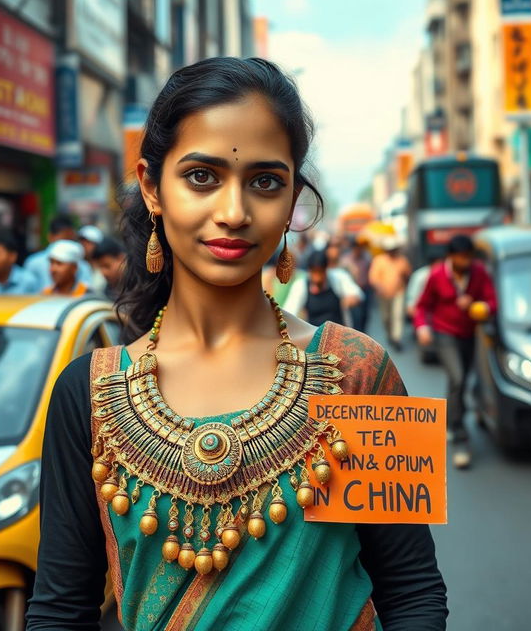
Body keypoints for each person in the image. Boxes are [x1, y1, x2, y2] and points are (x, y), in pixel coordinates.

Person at [26, 57, 447, 631]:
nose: (234, 212)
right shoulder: (88, 394)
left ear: (293, 197)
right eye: (202, 176)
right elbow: (60, 610)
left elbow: (412, 593)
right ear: (152, 188)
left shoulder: (356, 370)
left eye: (265, 182)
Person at [414, 235, 497, 469]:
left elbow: (493, 302)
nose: (465, 262)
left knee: (458, 382)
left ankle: (450, 422)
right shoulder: (437, 275)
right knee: (459, 378)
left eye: (468, 257)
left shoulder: (479, 273)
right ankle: (460, 436)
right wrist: (422, 327)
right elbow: (423, 305)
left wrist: (478, 306)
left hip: (469, 335)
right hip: (444, 334)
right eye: (460, 257)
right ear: (450, 257)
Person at [283, 249, 363, 326]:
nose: (317, 278)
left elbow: (357, 294)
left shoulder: (338, 278)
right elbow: (290, 311)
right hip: (314, 335)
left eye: (320, 272)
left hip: (338, 333)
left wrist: (349, 300)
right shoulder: (301, 285)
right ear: (309, 271)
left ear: (326, 269)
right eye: (314, 272)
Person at [24, 214, 93, 289]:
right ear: (51, 237)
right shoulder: (34, 263)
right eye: (52, 263)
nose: (53, 269)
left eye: (71, 240)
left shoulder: (83, 266)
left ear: (74, 268)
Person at [368, 236, 412, 351]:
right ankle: (390, 335)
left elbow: (407, 274)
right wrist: (379, 287)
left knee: (397, 316)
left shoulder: (402, 260)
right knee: (386, 318)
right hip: (383, 294)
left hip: (399, 292)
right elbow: (373, 278)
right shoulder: (379, 260)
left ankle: (397, 338)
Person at [340, 238, 372, 333]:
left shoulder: (366, 258)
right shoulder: (346, 261)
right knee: (356, 316)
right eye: (357, 248)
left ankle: (364, 333)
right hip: (352, 292)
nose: (359, 250)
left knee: (365, 314)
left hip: (365, 289)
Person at [92, 237, 127, 301]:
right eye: (100, 267)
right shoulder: (106, 291)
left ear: (121, 259)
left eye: (107, 266)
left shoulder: (142, 286)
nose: (103, 272)